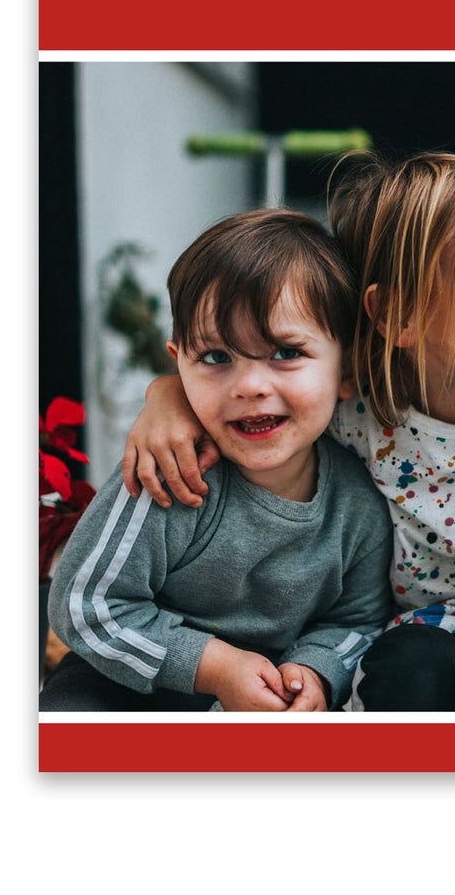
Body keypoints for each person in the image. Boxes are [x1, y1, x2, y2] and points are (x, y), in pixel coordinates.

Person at [121, 152, 455, 712]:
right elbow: (262, 394)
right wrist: (170, 396)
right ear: (398, 315)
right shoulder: (359, 408)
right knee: (410, 668)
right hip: (417, 641)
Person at [40, 208, 392, 713]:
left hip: (270, 691)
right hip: (131, 677)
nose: (249, 386)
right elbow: (84, 605)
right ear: (178, 360)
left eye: (286, 353)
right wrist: (215, 667)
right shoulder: (168, 474)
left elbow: (358, 621)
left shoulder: (357, 505)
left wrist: (315, 670)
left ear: (348, 368)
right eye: (215, 358)